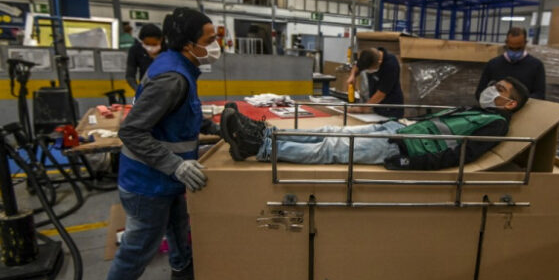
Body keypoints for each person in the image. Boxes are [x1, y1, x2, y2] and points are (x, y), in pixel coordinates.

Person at [91, 8, 221, 280]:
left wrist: (213, 128)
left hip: (167, 179)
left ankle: (180, 266)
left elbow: (177, 112)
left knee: (177, 224)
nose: (217, 45)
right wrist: (176, 165)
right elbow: (132, 131)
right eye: (210, 39)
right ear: (189, 44)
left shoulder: (179, 66)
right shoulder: (172, 77)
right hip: (147, 182)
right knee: (137, 251)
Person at [222, 77, 528, 171]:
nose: (492, 89)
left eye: (500, 90)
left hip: (405, 145)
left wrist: (411, 161)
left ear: (511, 103)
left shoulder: (495, 125)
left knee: (332, 149)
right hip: (400, 128)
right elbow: (435, 124)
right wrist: (403, 121)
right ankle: (266, 132)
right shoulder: (478, 109)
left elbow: (462, 154)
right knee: (330, 131)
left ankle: (257, 147)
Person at [475, 27, 546, 100]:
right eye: (511, 48)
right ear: (506, 43)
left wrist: (519, 102)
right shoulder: (493, 64)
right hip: (497, 107)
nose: (514, 52)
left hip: (526, 109)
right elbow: (480, 93)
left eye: (518, 48)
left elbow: (540, 94)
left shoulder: (536, 65)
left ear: (525, 43)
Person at [345, 47, 405, 118]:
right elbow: (357, 66)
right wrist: (352, 75)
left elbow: (381, 93)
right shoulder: (369, 55)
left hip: (391, 109)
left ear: (379, 62)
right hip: (376, 107)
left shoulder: (391, 64)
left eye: (369, 69)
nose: (368, 71)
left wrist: (362, 108)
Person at [125, 23, 163, 91]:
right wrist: (139, 90)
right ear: (142, 41)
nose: (151, 47)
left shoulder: (167, 50)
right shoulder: (135, 50)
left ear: (161, 40)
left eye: (154, 44)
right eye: (147, 44)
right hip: (145, 88)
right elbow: (130, 76)